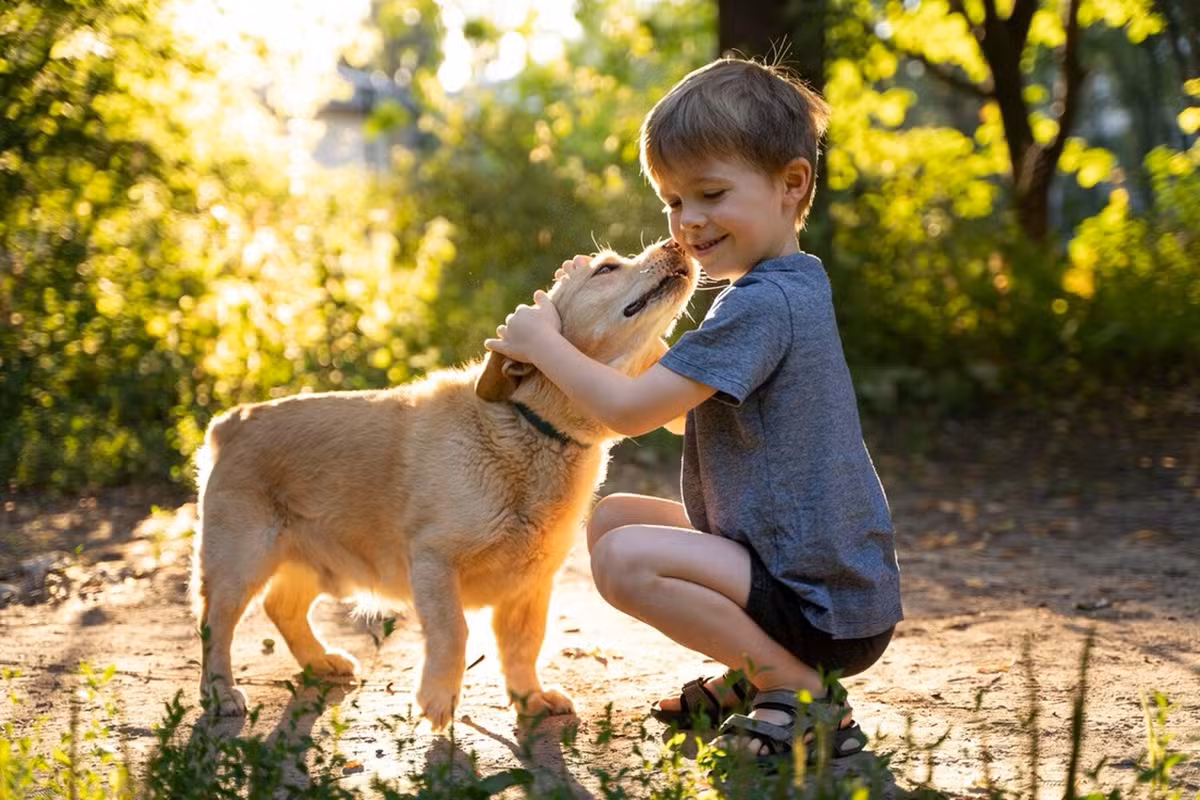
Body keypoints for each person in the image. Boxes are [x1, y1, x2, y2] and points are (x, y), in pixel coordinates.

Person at [484, 55, 902, 772]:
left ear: (792, 184)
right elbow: (685, 415)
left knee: (623, 560)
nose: (689, 222)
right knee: (613, 517)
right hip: (810, 571)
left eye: (711, 194)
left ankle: (799, 691)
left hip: (820, 604)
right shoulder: (783, 287)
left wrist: (546, 346)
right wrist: (611, 330)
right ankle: (756, 672)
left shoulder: (763, 305)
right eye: (674, 201)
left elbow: (632, 413)